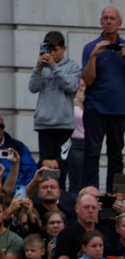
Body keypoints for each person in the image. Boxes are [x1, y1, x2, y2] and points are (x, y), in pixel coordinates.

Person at [81, 6, 125, 193]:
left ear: (119, 22)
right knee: (92, 155)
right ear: (101, 22)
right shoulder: (91, 47)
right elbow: (88, 80)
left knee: (116, 157)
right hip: (95, 109)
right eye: (105, 18)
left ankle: (115, 199)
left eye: (112, 18)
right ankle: (89, 196)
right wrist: (93, 57)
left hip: (119, 110)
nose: (108, 21)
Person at [29, 31, 82, 183]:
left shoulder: (72, 67)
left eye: (55, 50)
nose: (51, 54)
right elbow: (33, 87)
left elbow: (71, 87)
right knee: (45, 165)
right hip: (44, 123)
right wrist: (38, 67)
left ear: (63, 48)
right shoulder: (42, 68)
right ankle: (45, 193)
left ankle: (59, 197)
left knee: (61, 165)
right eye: (49, 50)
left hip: (63, 125)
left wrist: (53, 67)